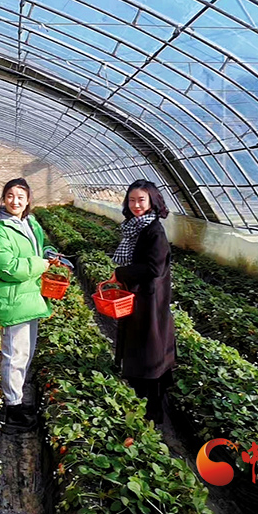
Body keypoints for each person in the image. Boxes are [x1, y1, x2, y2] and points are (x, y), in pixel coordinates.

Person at [0, 178, 55, 433]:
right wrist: (40, 265)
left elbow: (39, 249)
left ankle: (18, 399)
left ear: (28, 200)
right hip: (13, 299)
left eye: (21, 196)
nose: (15, 201)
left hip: (29, 296)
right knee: (14, 354)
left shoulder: (30, 223)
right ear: (4, 199)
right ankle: (12, 410)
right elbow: (6, 266)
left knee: (25, 353)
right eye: (10, 196)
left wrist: (49, 254)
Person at [110, 179, 175, 426]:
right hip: (138, 295)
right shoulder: (136, 227)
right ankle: (141, 403)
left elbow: (154, 268)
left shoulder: (154, 230)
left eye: (141, 200)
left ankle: (153, 414)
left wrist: (120, 274)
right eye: (132, 200)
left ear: (152, 201)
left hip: (150, 301)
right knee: (140, 347)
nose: (136, 205)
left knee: (150, 351)